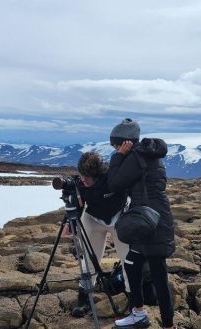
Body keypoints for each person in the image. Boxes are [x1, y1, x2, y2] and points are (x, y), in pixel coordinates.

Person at [107, 118, 175, 329]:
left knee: (158, 274)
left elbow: (115, 183)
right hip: (149, 218)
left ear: (126, 142)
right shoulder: (146, 152)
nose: (116, 148)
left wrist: (118, 157)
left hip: (151, 221)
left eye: (117, 144)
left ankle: (167, 325)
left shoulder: (135, 156)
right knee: (132, 264)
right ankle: (138, 313)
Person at [63, 151, 131, 317]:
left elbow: (132, 191)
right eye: (82, 175)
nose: (83, 179)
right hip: (93, 218)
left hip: (120, 217)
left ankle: (133, 298)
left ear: (98, 175)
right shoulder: (80, 183)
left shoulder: (114, 177)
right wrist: (68, 221)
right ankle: (84, 297)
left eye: (87, 176)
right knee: (89, 258)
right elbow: (76, 204)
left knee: (128, 259)